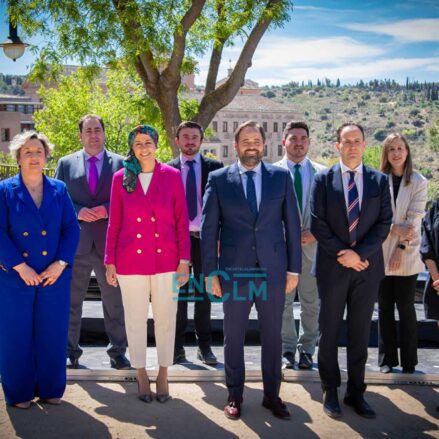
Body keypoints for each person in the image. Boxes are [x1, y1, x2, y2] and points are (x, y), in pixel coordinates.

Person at [201, 120, 301, 420]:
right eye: (245, 140)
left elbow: (293, 227)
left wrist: (294, 269)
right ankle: (234, 395)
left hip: (273, 270)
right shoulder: (219, 179)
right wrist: (210, 273)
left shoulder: (280, 178)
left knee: (273, 335)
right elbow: (209, 231)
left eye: (256, 139)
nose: (251, 145)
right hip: (234, 272)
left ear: (264, 144)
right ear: (236, 145)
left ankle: (272, 395)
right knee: (234, 335)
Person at [310, 122, 392, 419]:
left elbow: (384, 223)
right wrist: (343, 254)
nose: (353, 146)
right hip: (332, 268)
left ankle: (356, 393)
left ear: (364, 144)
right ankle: (330, 391)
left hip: (367, 269)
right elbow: (317, 221)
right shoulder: (323, 179)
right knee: (328, 332)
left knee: (359, 333)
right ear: (337, 146)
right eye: (347, 141)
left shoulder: (379, 181)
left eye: (357, 141)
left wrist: (359, 255)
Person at [105, 125, 190, 403]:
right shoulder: (121, 178)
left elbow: (181, 220)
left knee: (167, 317)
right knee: (135, 318)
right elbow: (114, 222)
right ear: (132, 147)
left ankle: (163, 371)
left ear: (156, 144)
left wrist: (184, 260)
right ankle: (141, 372)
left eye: (148, 142)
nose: (144, 147)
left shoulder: (172, 176)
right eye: (138, 143)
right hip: (130, 260)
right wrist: (110, 261)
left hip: (166, 259)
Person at [0, 131, 80, 408]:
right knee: (16, 333)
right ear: (18, 159)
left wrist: (60, 263)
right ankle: (19, 392)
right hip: (15, 276)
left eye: (39, 151)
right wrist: (20, 266)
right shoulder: (4, 190)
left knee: (52, 332)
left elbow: (71, 227)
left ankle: (50, 389)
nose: (34, 157)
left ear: (47, 156)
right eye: (28, 152)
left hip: (52, 276)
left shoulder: (59, 189)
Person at [55, 114, 130, 370]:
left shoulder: (122, 162)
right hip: (76, 245)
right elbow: (58, 199)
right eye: (88, 131)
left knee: (114, 303)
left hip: (111, 247)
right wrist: (77, 210)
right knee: (71, 302)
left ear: (104, 132)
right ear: (81, 135)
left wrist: (107, 209)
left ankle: (118, 352)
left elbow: (129, 200)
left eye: (97, 130)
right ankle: (69, 352)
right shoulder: (66, 163)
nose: (93, 135)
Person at [167, 121, 223, 365]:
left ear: (201, 141)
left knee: (204, 295)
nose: (190, 141)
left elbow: (223, 208)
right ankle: (177, 348)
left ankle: (204, 347)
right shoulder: (166, 170)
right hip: (175, 242)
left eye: (194, 137)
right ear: (177, 140)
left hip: (205, 240)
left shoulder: (215, 168)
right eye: (185, 137)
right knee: (176, 297)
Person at [274, 121, 325, 370]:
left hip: (312, 250)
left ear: (309, 142)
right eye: (293, 138)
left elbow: (332, 214)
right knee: (282, 303)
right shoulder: (271, 172)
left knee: (311, 302)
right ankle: (286, 350)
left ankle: (307, 350)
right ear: (283, 141)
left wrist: (316, 232)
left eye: (303, 138)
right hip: (281, 251)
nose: (298, 142)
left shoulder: (323, 174)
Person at [378, 133, 427, 374]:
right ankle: (387, 361)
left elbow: (414, 221)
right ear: (386, 155)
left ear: (407, 152)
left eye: (400, 148)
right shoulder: (378, 180)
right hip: (380, 253)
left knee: (406, 309)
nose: (396, 153)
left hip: (407, 255)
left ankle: (409, 362)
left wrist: (399, 248)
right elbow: (375, 219)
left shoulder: (419, 181)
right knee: (384, 308)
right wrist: (392, 228)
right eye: (391, 149)